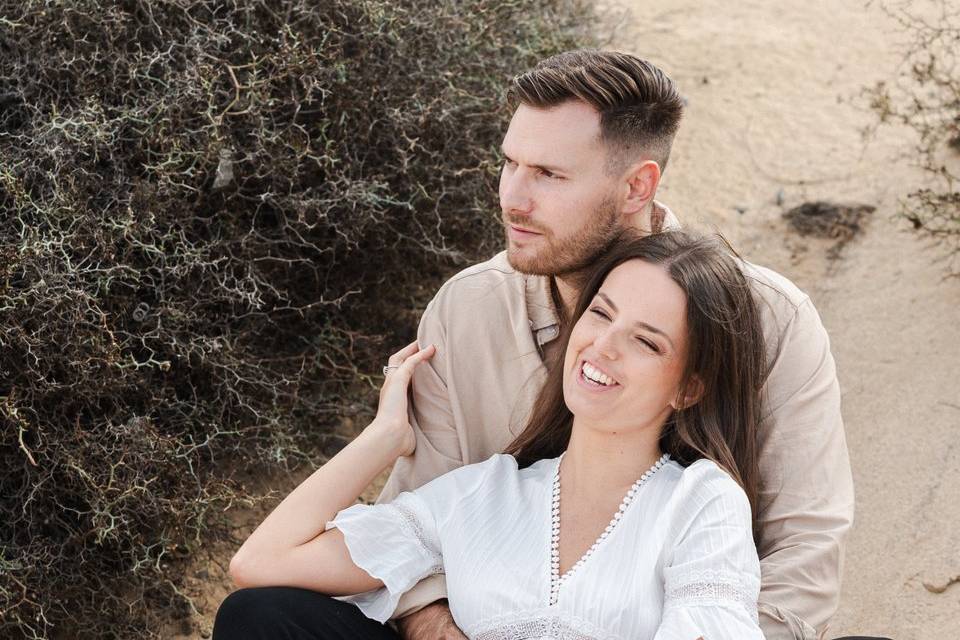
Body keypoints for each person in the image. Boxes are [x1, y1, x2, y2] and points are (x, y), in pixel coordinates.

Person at [214, 50, 857, 640]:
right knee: (264, 617)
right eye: (509, 163)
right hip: (477, 623)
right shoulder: (466, 312)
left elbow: (803, 551)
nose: (512, 199)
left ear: (638, 185)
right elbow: (412, 529)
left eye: (548, 173)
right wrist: (437, 625)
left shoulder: (767, 319)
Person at [224, 230, 770, 639]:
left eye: (646, 342)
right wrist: (385, 436)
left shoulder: (699, 499)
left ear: (689, 389)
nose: (603, 347)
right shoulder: (484, 492)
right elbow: (260, 565)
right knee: (261, 615)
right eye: (601, 314)